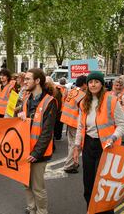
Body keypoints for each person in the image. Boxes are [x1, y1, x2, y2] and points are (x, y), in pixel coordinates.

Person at [73, 71, 124, 214]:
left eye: (96, 81)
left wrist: (113, 138)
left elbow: (122, 125)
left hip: (106, 147)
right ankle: (91, 210)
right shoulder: (84, 101)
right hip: (88, 146)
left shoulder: (112, 100)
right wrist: (77, 146)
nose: (93, 84)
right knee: (89, 184)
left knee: (103, 185)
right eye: (90, 82)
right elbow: (80, 126)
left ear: (101, 84)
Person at [18, 68, 57, 214]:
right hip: (25, 150)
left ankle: (42, 211)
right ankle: (31, 208)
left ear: (37, 81)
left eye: (28, 79)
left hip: (38, 153)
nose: (25, 81)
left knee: (38, 188)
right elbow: (25, 124)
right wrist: (21, 116)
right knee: (26, 184)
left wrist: (36, 153)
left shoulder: (50, 102)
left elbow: (47, 133)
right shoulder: (27, 99)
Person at [61, 75, 87, 174]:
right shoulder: (82, 95)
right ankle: (69, 166)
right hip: (75, 122)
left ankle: (73, 163)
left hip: (68, 120)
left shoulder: (73, 91)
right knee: (76, 145)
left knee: (71, 144)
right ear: (84, 84)